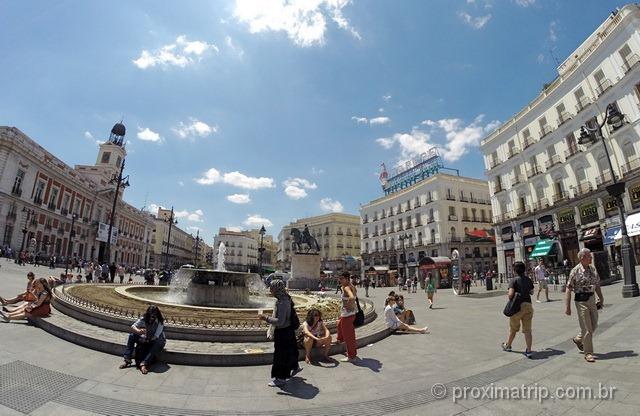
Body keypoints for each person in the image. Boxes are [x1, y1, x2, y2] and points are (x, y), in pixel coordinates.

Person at [258, 279, 301, 387]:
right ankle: (295, 367)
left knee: (280, 356)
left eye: (271, 288)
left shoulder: (282, 302)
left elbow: (280, 321)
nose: (270, 290)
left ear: (276, 289)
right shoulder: (286, 298)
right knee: (289, 352)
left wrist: (265, 318)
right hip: (288, 331)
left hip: (283, 332)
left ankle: (280, 378)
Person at [565, 248, 603, 363]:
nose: (591, 258)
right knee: (587, 328)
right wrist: (567, 307)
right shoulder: (575, 271)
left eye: (590, 256)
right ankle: (588, 353)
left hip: (591, 299)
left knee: (594, 324)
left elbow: (597, 284)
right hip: (581, 300)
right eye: (588, 256)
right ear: (582, 258)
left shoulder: (592, 268)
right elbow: (568, 288)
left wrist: (601, 298)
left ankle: (578, 339)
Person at [119, 305, 166, 374]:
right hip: (147, 337)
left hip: (158, 339)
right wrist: (138, 331)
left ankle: (144, 363)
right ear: (148, 313)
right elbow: (133, 326)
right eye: (150, 315)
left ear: (157, 314)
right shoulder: (144, 318)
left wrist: (147, 339)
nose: (152, 317)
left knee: (157, 343)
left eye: (154, 315)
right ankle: (127, 359)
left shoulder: (160, 321)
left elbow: (156, 336)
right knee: (132, 336)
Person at [501, 261, 535, 358]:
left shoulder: (513, 280)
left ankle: (508, 345)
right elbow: (531, 292)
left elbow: (510, 295)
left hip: (517, 307)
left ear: (515, 270)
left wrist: (512, 293)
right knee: (527, 330)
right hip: (528, 306)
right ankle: (529, 350)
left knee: (513, 329)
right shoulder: (528, 279)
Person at [336, 272, 358, 362]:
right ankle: (339, 339)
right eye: (339, 278)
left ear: (347, 278)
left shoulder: (346, 287)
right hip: (351, 314)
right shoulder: (351, 285)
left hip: (347, 315)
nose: (340, 280)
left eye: (342, 278)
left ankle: (351, 356)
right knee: (339, 324)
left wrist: (348, 305)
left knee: (349, 337)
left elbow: (352, 297)